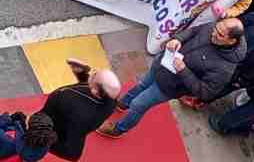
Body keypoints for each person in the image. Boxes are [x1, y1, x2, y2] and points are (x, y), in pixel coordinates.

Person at [99, 16, 246, 136]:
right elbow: (192, 32)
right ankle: (123, 104)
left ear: (231, 41)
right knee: (141, 85)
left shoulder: (224, 68)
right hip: (161, 65)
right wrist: (177, 39)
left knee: (138, 105)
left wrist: (183, 70)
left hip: (169, 87)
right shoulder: (216, 27)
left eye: (220, 35)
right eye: (216, 29)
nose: (213, 33)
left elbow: (205, 92)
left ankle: (119, 129)